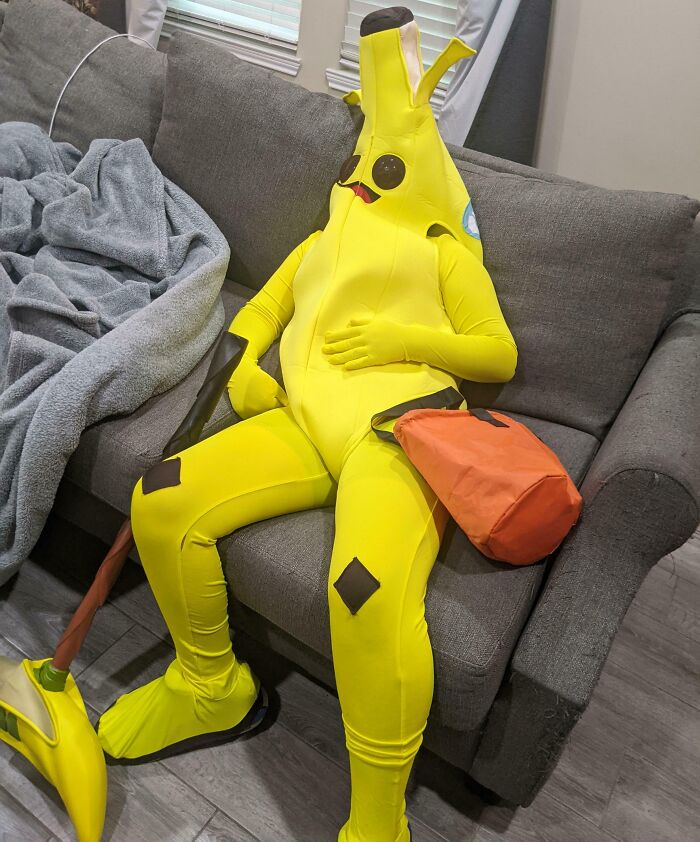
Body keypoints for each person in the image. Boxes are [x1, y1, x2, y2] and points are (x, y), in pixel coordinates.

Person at [96, 8, 518, 841]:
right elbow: (262, 308)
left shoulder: (441, 251)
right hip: (300, 419)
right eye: (361, 164)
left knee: (361, 587)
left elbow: (495, 352)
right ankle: (210, 683)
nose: (363, 177)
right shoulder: (323, 240)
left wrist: (403, 336)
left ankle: (376, 820)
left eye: (382, 166)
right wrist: (252, 361)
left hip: (397, 430)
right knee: (163, 497)